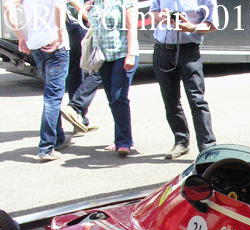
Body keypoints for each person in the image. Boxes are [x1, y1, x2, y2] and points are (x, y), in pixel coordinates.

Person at [149, 0, 217, 160]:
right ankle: (181, 141)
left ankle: (208, 148)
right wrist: (162, 16)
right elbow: (153, 14)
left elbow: (212, 24)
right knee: (170, 101)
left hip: (189, 51)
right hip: (162, 50)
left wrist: (192, 28)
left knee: (197, 100)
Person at [4, 0, 71, 161]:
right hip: (55, 45)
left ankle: (58, 138)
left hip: (36, 44)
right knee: (53, 96)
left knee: (50, 92)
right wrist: (60, 34)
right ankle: (46, 148)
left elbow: (7, 6)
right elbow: (58, 6)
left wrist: (21, 36)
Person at [88, 0, 139, 156]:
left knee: (118, 97)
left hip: (122, 54)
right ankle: (120, 138)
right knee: (113, 99)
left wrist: (130, 54)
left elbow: (132, 26)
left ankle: (124, 142)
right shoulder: (96, 1)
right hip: (103, 57)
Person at [61, 0, 102, 135]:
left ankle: (79, 118)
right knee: (98, 68)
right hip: (79, 25)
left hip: (69, 26)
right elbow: (77, 4)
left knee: (75, 72)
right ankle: (76, 109)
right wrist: (89, 18)